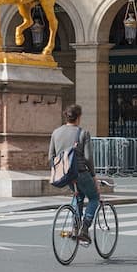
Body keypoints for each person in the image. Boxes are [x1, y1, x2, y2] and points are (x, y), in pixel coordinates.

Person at [49, 104, 99, 244]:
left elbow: (50, 156)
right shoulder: (83, 133)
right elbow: (88, 158)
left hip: (65, 175)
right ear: (79, 117)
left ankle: (76, 226)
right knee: (94, 197)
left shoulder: (56, 132)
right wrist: (94, 176)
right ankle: (84, 228)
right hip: (81, 172)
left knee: (78, 196)